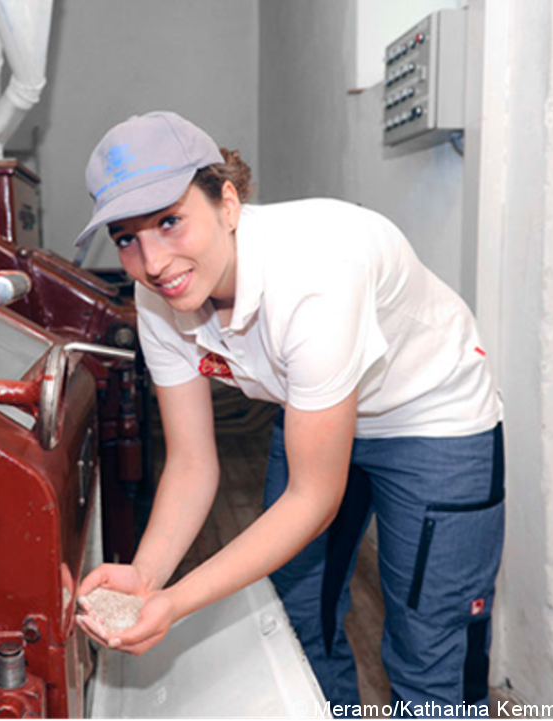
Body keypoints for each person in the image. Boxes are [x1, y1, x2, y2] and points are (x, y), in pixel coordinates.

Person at [73, 111, 504, 715]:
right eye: (126, 237)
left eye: (170, 221)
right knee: (300, 617)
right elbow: (194, 464)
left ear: (227, 203)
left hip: (431, 419)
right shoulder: (158, 293)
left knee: (430, 645)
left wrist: (174, 603)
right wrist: (146, 577)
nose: (153, 261)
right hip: (313, 411)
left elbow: (312, 498)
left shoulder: (315, 275)